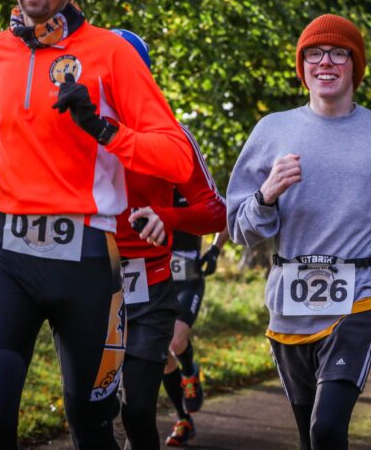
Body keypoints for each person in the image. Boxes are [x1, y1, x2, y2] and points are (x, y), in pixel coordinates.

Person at [0, 0, 194, 449]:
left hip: (87, 260)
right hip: (7, 252)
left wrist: (104, 128)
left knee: (91, 424)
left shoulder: (112, 53)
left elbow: (176, 159)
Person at [226, 14, 371, 450]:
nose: (326, 62)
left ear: (355, 65)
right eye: (314, 54)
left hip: (359, 292)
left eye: (339, 53)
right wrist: (266, 194)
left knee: (327, 429)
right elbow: (239, 228)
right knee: (309, 436)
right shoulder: (271, 130)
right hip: (290, 299)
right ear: (302, 68)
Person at [106, 29, 227, 449]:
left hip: (161, 279)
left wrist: (179, 226)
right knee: (93, 405)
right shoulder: (79, 129)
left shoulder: (172, 137)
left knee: (141, 399)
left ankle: (182, 406)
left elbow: (217, 211)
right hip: (92, 281)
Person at [163, 225, 230, 447]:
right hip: (156, 279)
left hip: (189, 279)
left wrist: (214, 250)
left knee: (176, 340)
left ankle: (189, 371)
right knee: (162, 352)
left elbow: (228, 213)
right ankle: (184, 419)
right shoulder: (149, 190)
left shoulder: (192, 189)